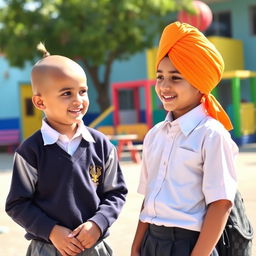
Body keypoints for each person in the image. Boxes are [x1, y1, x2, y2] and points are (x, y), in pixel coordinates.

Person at [5, 43, 127, 256]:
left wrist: (98, 224)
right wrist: (51, 231)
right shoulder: (30, 152)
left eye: (82, 91)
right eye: (66, 93)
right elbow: (17, 204)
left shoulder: (101, 145)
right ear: (40, 102)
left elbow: (116, 193)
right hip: (47, 248)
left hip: (94, 247)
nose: (78, 100)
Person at [131, 22, 238, 256]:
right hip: (152, 242)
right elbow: (150, 200)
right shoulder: (154, 135)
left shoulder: (211, 134)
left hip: (191, 245)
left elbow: (221, 204)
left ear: (199, 83)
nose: (164, 86)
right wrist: (136, 247)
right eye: (160, 77)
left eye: (176, 77)